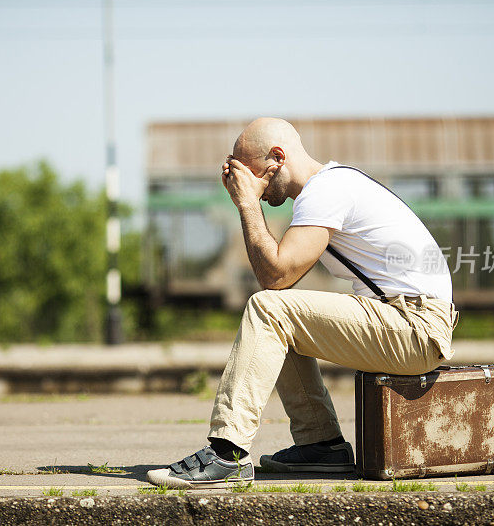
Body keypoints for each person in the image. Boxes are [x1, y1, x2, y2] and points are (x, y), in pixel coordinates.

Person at [147, 117, 458, 489]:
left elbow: (275, 274)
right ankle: (321, 444)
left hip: (415, 327)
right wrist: (250, 196)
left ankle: (227, 452)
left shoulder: (324, 191)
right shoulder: (334, 183)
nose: (254, 189)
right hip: (408, 319)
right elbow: (282, 281)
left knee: (269, 307)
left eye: (254, 176)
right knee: (279, 309)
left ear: (277, 158)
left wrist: (247, 205)